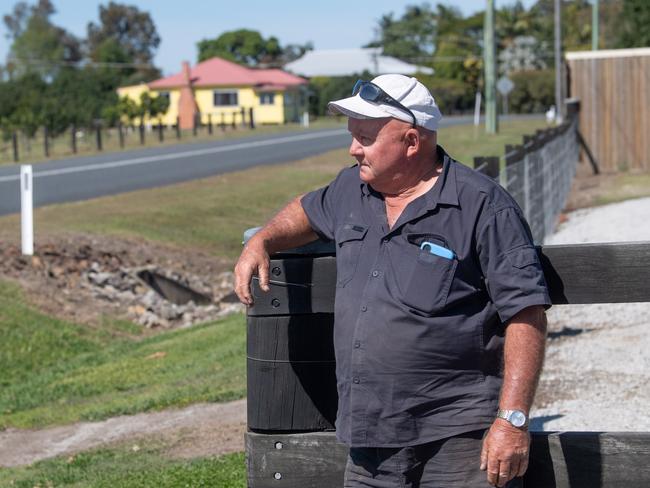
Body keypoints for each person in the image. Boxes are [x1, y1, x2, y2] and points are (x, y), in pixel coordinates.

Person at [234, 74, 550, 488]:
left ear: (412, 142)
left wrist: (512, 421)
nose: (353, 149)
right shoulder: (352, 188)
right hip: (370, 441)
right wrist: (262, 239)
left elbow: (526, 313)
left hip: (459, 439)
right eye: (353, 137)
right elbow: (306, 211)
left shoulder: (482, 205)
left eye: (364, 138)